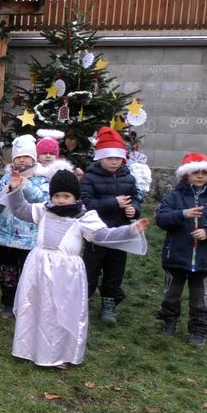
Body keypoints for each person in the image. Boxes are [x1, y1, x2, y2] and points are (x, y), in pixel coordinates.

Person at [2, 168, 149, 369]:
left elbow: (104, 235)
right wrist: (15, 190)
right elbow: (21, 209)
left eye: (66, 196)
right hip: (39, 266)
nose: (61, 201)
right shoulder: (44, 210)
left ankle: (59, 354)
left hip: (66, 273)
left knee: (61, 311)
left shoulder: (83, 217)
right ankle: (28, 348)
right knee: (35, 306)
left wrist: (130, 230)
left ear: (76, 197)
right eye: (57, 196)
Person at [155, 152, 207, 346]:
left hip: (204, 259)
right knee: (171, 294)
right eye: (195, 172)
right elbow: (162, 219)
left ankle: (198, 330)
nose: (200, 176)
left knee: (200, 299)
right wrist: (183, 214)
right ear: (186, 175)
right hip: (176, 256)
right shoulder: (174, 197)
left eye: (204, 173)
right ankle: (169, 322)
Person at [79, 126, 141, 324]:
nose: (114, 161)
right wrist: (114, 202)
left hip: (120, 233)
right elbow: (86, 203)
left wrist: (134, 210)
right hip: (96, 233)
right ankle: (81, 303)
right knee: (90, 270)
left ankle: (108, 306)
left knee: (115, 272)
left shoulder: (128, 178)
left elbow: (135, 198)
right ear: (100, 157)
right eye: (109, 158)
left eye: (118, 158)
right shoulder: (90, 177)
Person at [0, 134, 49, 320]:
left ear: (34, 158)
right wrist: (8, 188)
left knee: (28, 274)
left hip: (29, 238)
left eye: (26, 156)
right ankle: (8, 302)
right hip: (6, 236)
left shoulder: (42, 178)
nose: (22, 160)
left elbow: (44, 200)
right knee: (7, 273)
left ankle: (26, 304)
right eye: (18, 157)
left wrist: (25, 185)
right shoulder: (7, 176)